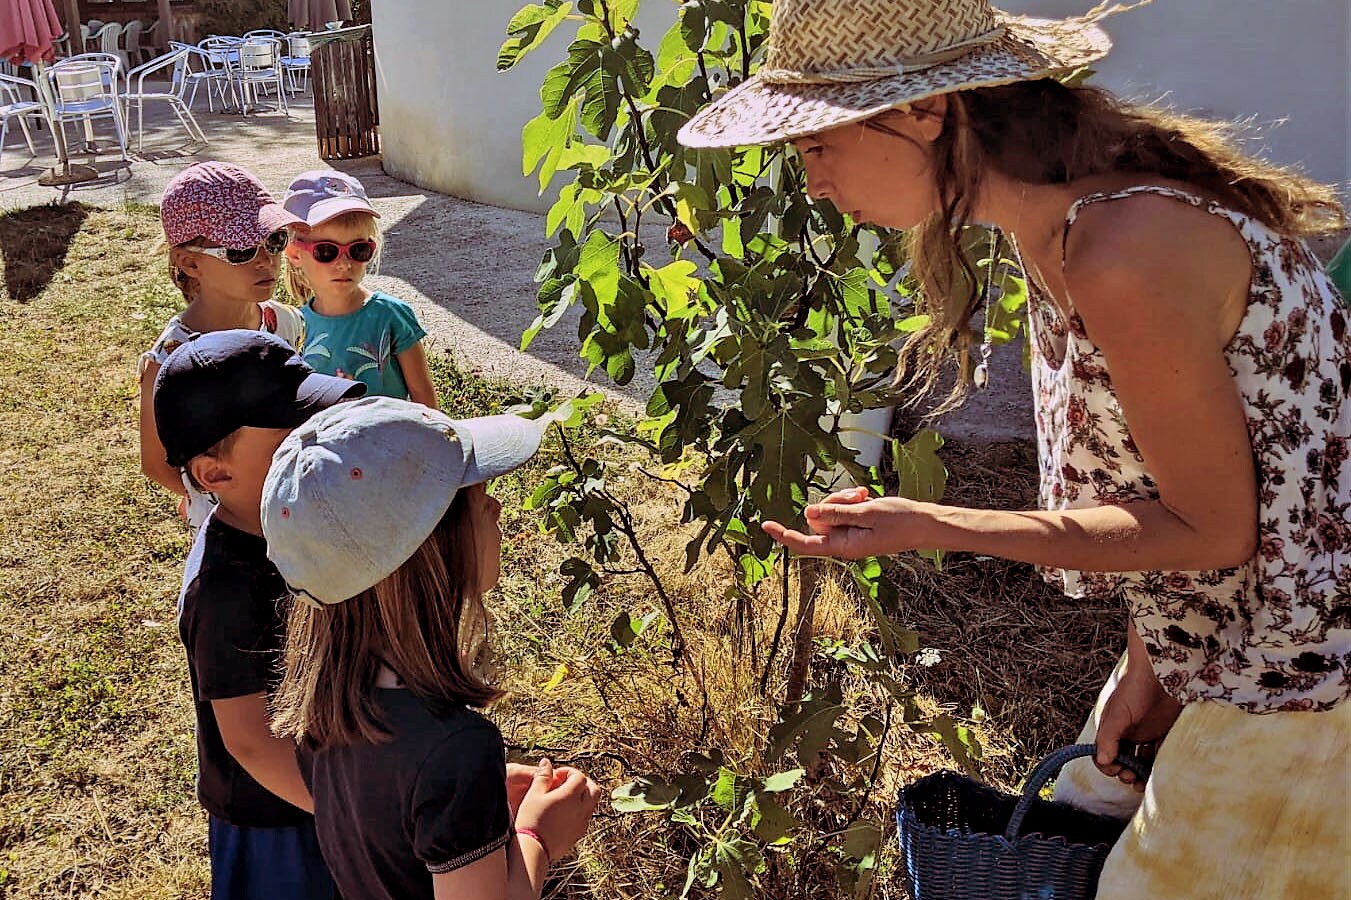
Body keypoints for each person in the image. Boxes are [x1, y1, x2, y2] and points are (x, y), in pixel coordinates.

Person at [679, 1, 1349, 897]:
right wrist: (1152, 664)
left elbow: (1212, 525)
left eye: (816, 145)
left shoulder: (1121, 250)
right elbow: (1205, 484)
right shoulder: (1070, 224)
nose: (812, 182)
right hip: (1264, 640)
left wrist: (931, 522)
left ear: (925, 113)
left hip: (1314, 673)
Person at [263, 396, 600, 900]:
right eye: (474, 493)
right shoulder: (455, 750)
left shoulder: (327, 705)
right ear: (431, 547)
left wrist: (473, 801)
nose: (495, 506)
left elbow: (392, 812)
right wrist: (538, 837)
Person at [154, 330, 364, 898]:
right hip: (278, 817)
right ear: (215, 474)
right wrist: (357, 813)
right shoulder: (225, 590)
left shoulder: (300, 525)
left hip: (339, 779)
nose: (317, 439)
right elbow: (248, 739)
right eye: (292, 432)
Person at [140, 161, 306, 531]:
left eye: (274, 240)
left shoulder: (285, 322)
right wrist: (221, 504)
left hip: (296, 502)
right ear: (189, 262)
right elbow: (155, 464)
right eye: (240, 250)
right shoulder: (170, 359)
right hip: (235, 524)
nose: (266, 260)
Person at [281, 170, 440, 408]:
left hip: (391, 440)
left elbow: (424, 397)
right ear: (294, 253)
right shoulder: (294, 327)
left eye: (358, 250)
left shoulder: (391, 315)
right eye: (326, 251)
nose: (345, 264)